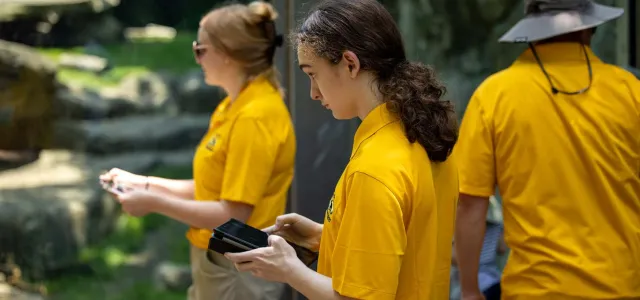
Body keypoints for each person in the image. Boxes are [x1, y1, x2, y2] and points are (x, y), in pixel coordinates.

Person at [225, 0, 459, 299]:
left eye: (312, 73)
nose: (312, 92)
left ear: (350, 63)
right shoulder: (423, 137)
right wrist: (326, 238)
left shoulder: (375, 168)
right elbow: (408, 248)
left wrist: (288, 268)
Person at [99, 2, 295, 300]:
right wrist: (145, 183)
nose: (197, 58)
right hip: (221, 264)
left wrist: (153, 202)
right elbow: (213, 190)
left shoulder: (254, 117)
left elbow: (232, 214)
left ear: (227, 54)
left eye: (200, 49)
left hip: (237, 270)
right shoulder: (234, 105)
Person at [453, 1, 640, 299]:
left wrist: (470, 290)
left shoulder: (494, 96)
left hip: (534, 289)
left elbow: (470, 204)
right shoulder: (630, 91)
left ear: (532, 27)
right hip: (621, 287)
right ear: (590, 27)